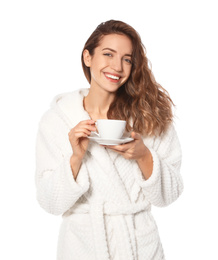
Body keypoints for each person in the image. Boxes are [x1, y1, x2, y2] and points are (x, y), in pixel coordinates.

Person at [35, 20, 183, 260]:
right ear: (87, 57)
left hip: (140, 246)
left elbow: (170, 194)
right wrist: (76, 158)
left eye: (127, 59)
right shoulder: (57, 121)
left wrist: (144, 156)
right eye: (108, 54)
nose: (118, 66)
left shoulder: (149, 117)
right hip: (83, 247)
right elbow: (50, 203)